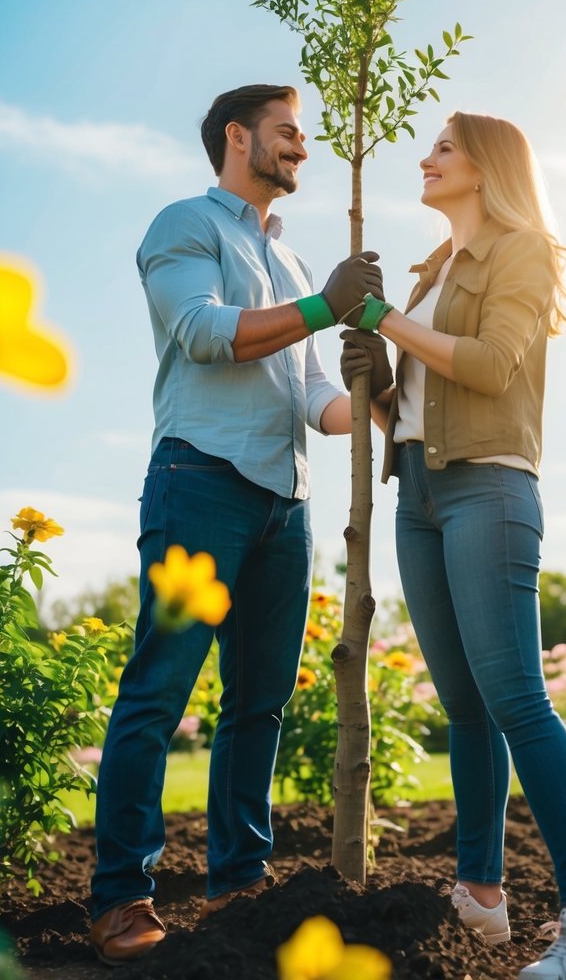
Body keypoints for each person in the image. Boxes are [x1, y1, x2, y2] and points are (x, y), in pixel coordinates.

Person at [89, 83, 383, 965]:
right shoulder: (185, 225)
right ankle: (120, 897)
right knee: (158, 689)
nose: (301, 146)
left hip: (283, 503)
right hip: (200, 481)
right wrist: (327, 310)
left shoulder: (293, 268)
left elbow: (309, 394)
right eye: (287, 133)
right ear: (236, 137)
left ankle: (237, 882)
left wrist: (372, 396)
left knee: (258, 702)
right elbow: (204, 331)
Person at [341, 112, 566, 980]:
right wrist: (374, 377)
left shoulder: (525, 249)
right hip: (418, 493)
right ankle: (481, 900)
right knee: (463, 707)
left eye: (442, 148)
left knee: (516, 700)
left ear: (486, 166)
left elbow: (494, 364)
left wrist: (385, 320)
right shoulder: (432, 269)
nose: (424, 159)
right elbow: (416, 407)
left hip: (489, 489)